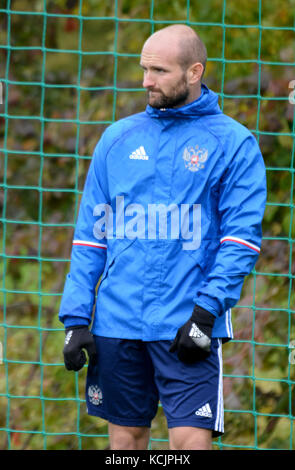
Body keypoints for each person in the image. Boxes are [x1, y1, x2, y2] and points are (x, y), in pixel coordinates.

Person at [59, 24, 266, 450]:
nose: (146, 81)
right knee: (127, 443)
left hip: (186, 323)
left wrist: (206, 313)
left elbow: (240, 241)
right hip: (117, 324)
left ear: (194, 72)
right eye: (143, 69)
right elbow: (90, 239)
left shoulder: (233, 143)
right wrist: (77, 318)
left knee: (190, 444)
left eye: (159, 71)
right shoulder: (116, 139)